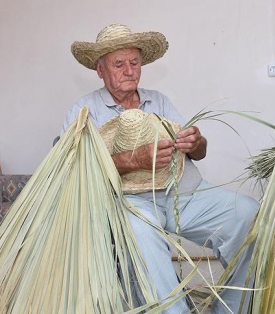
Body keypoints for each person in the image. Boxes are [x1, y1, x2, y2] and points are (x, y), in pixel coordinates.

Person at [62, 23, 259, 313]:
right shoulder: (84, 111)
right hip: (131, 202)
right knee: (139, 234)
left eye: (135, 62)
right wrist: (135, 159)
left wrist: (196, 141)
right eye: (119, 64)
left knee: (248, 213)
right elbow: (73, 167)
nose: (129, 70)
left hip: (185, 193)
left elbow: (200, 154)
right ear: (100, 70)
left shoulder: (160, 101)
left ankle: (231, 308)